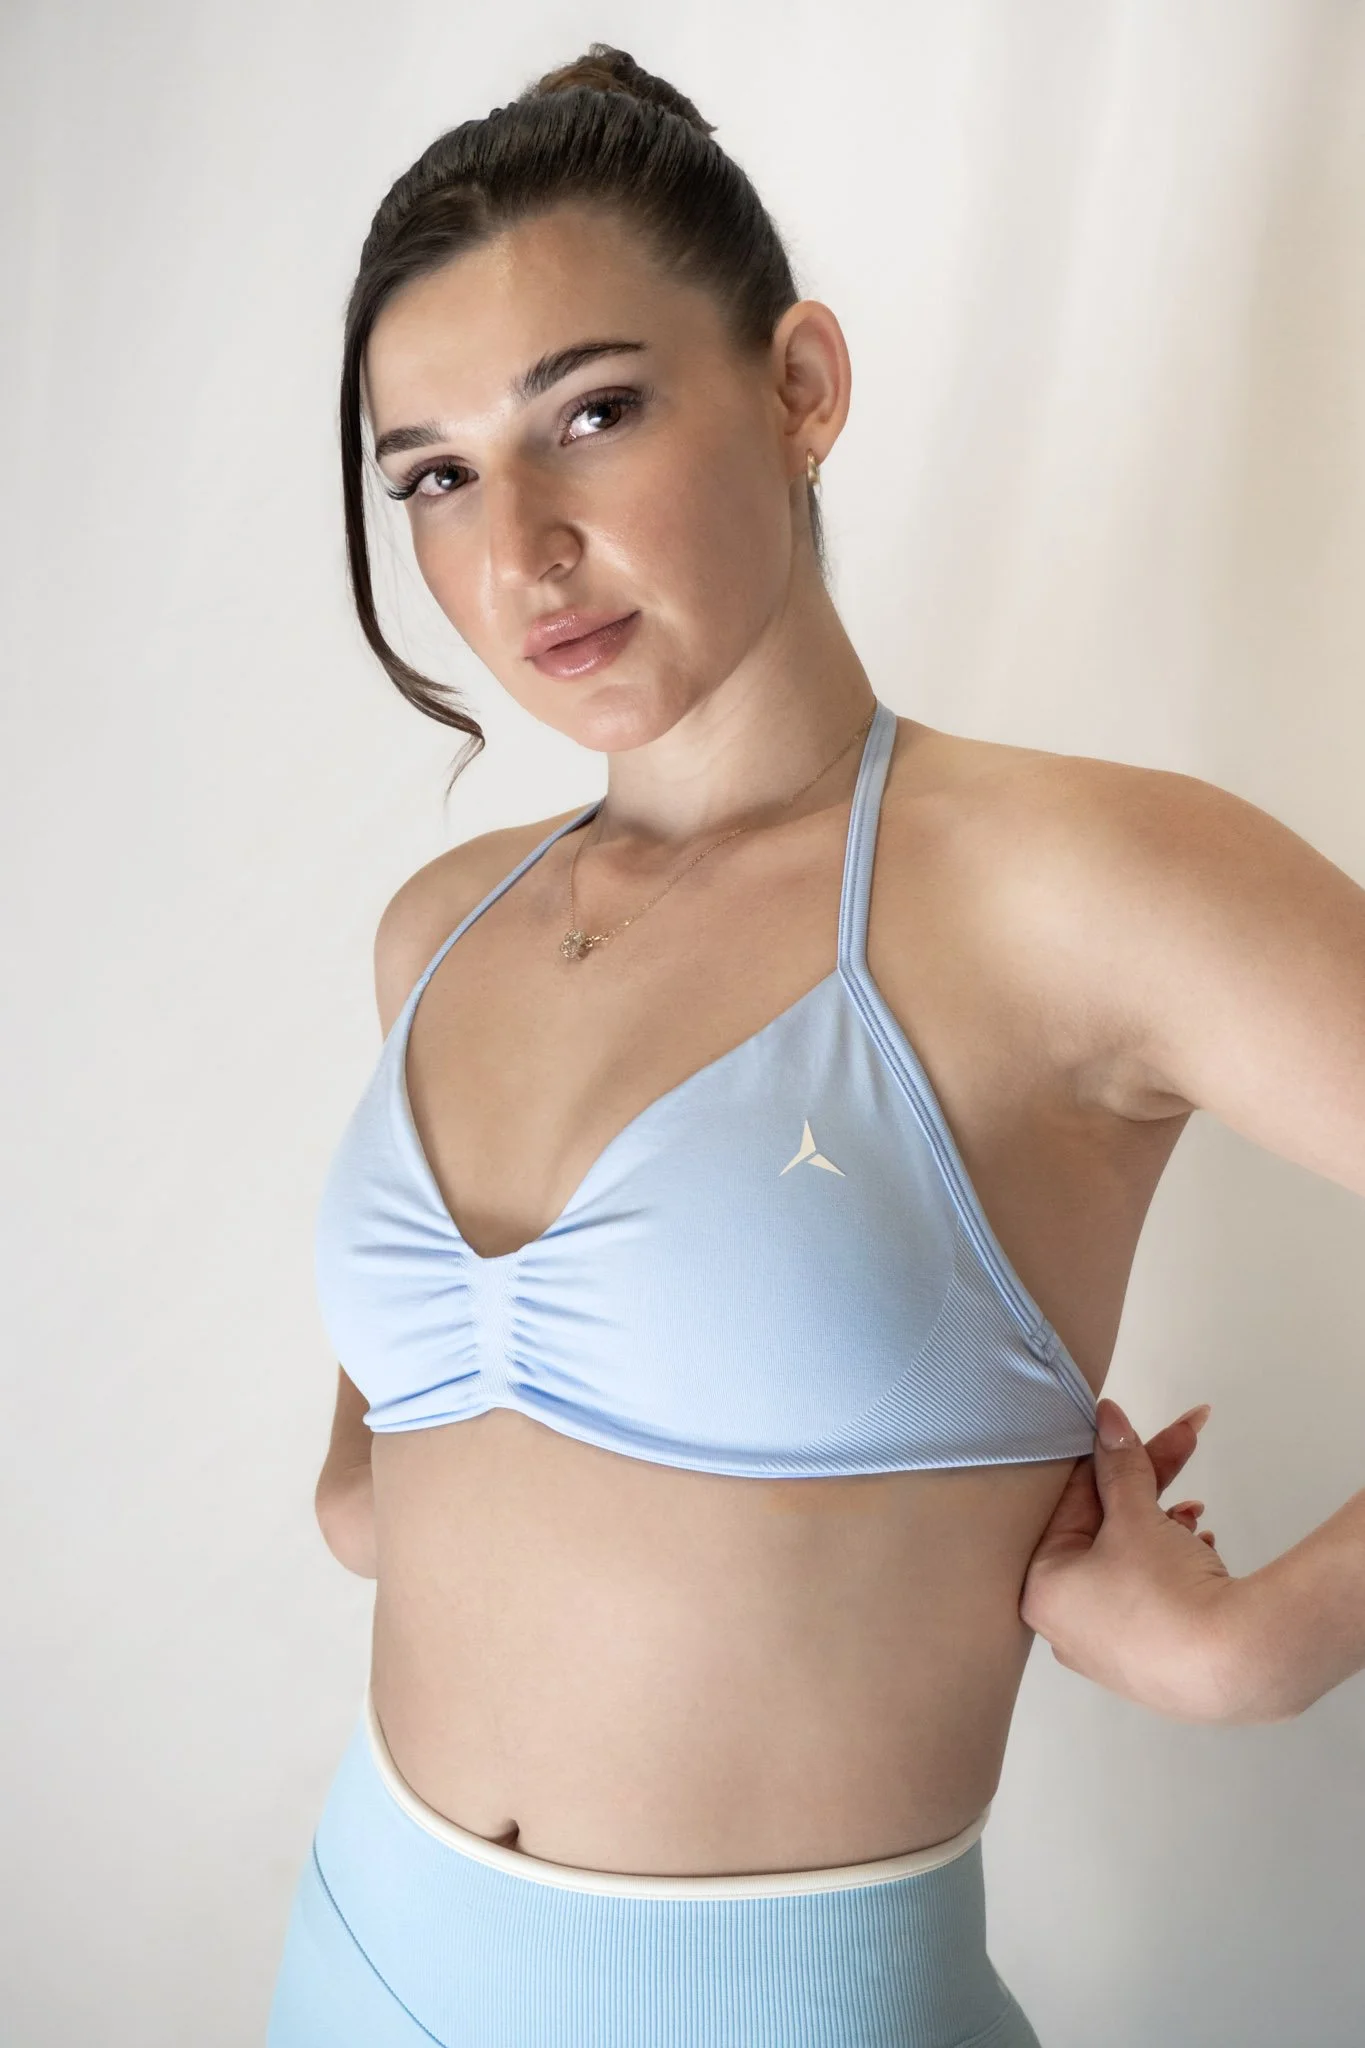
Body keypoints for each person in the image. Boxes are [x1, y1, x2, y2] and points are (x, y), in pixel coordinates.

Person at [266, 43, 1365, 2047]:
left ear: (799, 388)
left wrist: (1266, 1646)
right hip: (353, 1955)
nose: (513, 560)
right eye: (430, 476)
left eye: (588, 414)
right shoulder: (441, 932)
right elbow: (384, 1489)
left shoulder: (1069, 884)